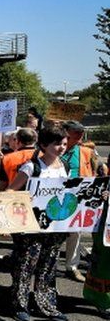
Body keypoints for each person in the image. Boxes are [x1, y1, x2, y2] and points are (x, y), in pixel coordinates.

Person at [6, 126, 71, 321]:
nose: (61, 148)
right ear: (43, 145)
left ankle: (47, 305)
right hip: (31, 227)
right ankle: (20, 305)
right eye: (57, 144)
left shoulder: (65, 166)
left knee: (48, 267)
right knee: (25, 265)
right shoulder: (31, 167)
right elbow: (10, 191)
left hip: (55, 226)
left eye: (64, 144)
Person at [61, 121, 100, 282]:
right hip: (55, 198)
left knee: (75, 233)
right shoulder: (52, 150)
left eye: (80, 135)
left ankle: (72, 266)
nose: (78, 138)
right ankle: (46, 266)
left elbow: (96, 172)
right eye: (74, 135)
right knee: (52, 234)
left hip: (79, 199)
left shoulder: (86, 152)